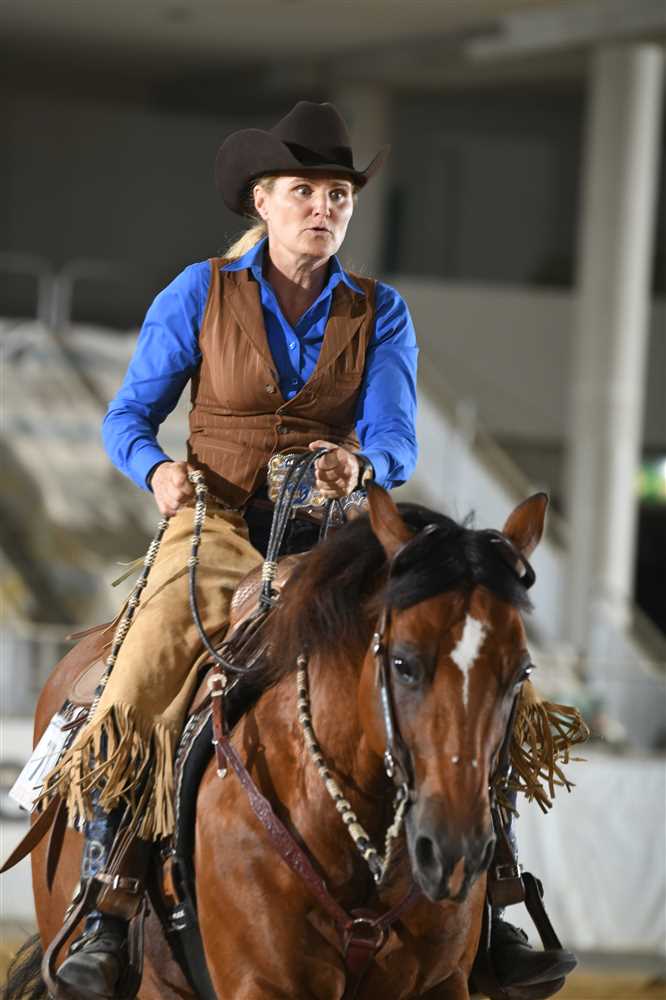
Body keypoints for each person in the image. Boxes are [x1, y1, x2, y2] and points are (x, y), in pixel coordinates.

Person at [44, 101, 574, 1000]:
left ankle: (496, 899)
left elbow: (397, 436)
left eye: (339, 195)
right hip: (213, 527)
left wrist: (359, 463)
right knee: (136, 682)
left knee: (477, 683)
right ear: (263, 200)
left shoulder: (381, 310)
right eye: (304, 192)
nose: (323, 208)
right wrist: (157, 471)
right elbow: (127, 415)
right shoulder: (199, 292)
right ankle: (109, 904)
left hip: (334, 541)